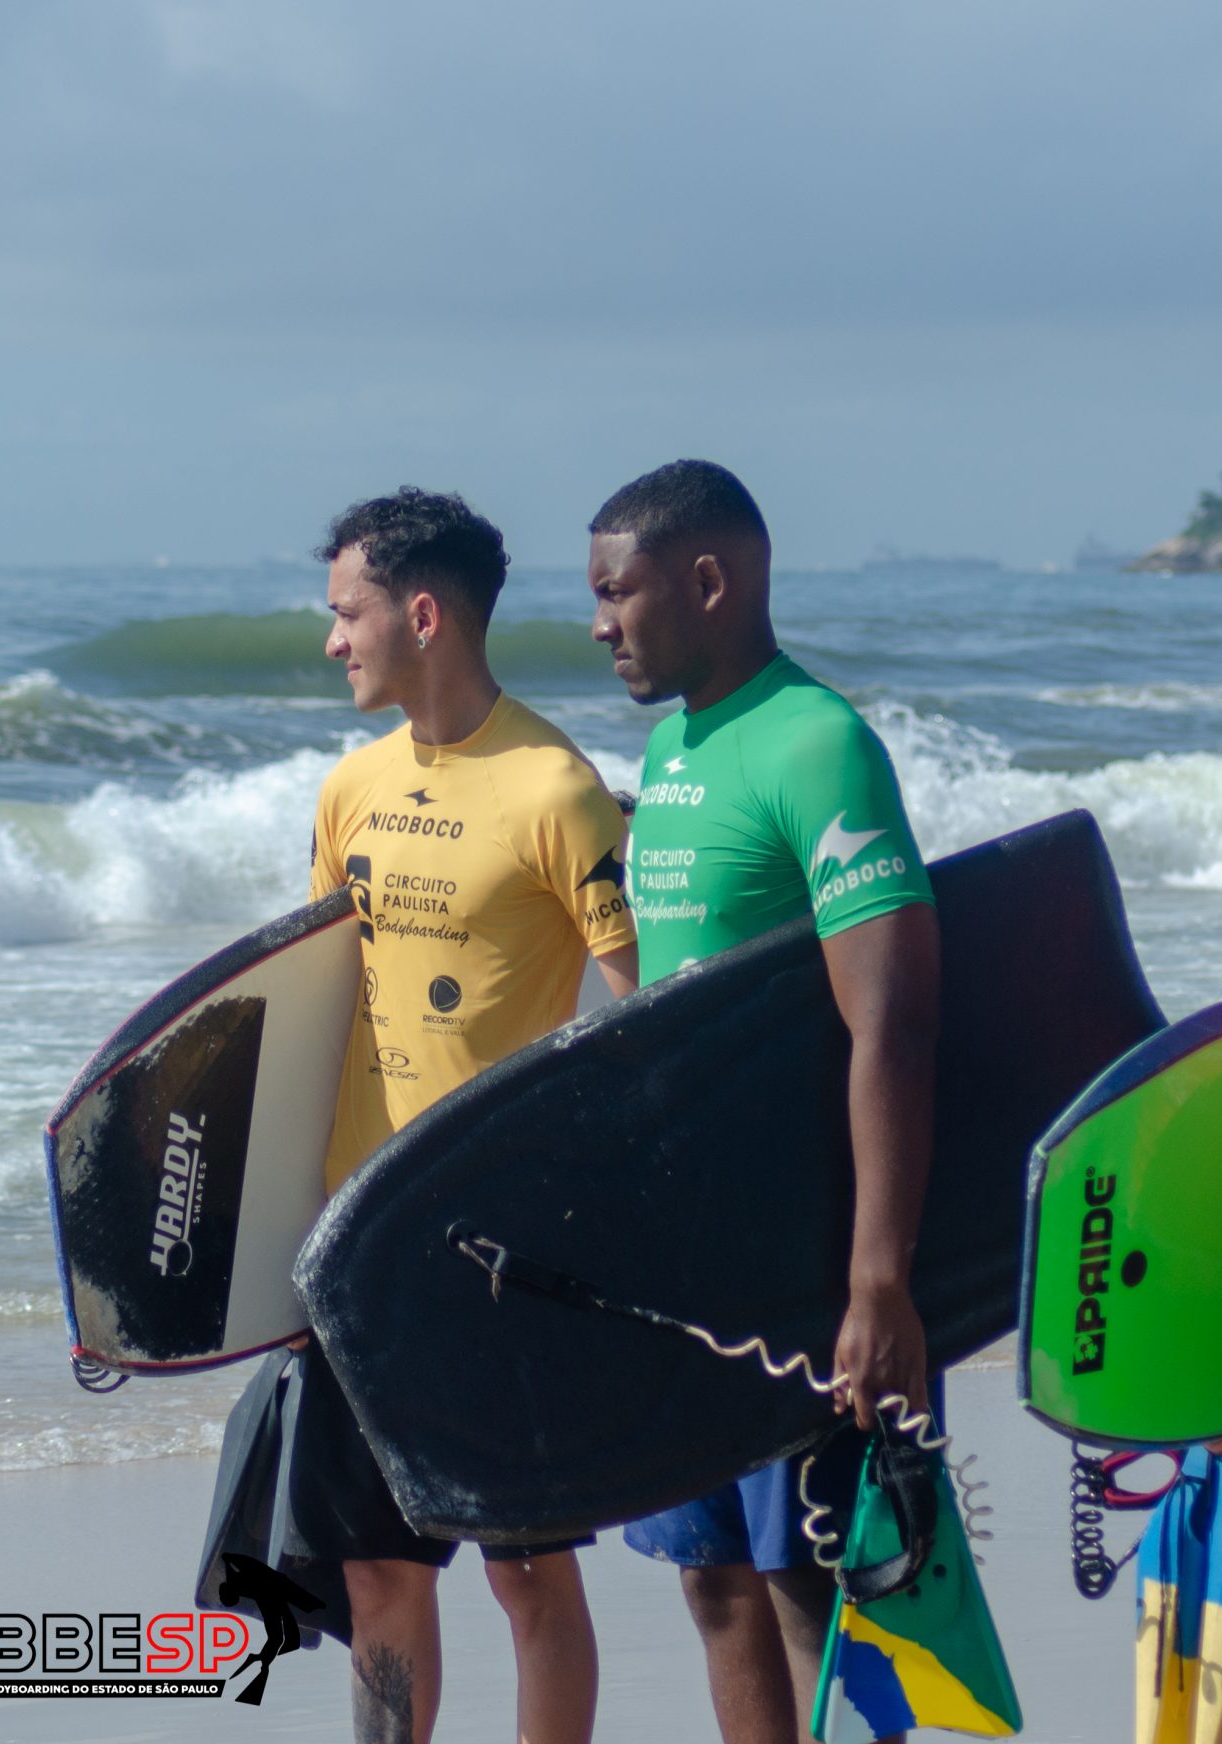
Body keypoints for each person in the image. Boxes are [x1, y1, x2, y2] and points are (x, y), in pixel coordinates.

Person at [587, 459, 941, 1744]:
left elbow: (893, 1018)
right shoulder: (675, 744)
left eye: (617, 593)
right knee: (712, 1579)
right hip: (688, 1258)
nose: (600, 622)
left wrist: (878, 1281)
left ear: (709, 581)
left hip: (804, 1256)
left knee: (821, 1586)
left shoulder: (819, 743)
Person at [299, 487, 640, 1744]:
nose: (333, 640)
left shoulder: (557, 789)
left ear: (422, 613)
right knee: (379, 1570)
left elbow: (639, 1021)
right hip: (353, 1244)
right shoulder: (349, 790)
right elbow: (316, 1005)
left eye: (349, 613)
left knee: (525, 1570)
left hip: (493, 1253)